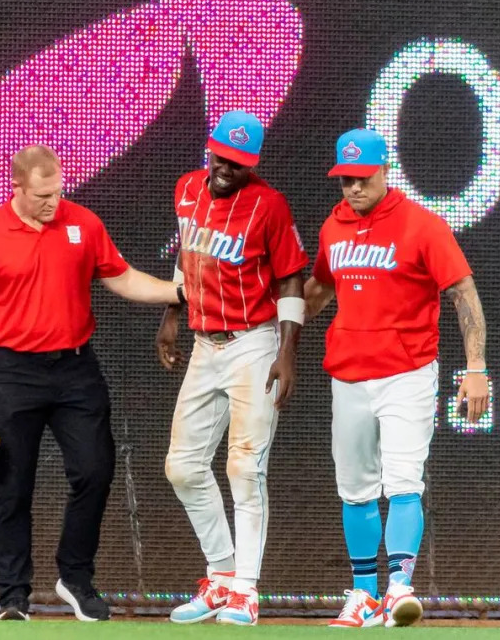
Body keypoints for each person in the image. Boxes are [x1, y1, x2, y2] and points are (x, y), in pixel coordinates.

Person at [0, 145, 186, 622]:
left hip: (75, 370)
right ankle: (13, 597)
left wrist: (177, 292)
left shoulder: (83, 224)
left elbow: (123, 278)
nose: (53, 202)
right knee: (13, 488)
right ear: (17, 189)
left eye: (58, 192)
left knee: (95, 471)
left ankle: (75, 577)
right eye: (42, 195)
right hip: (12, 373)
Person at [304, 128, 489, 628]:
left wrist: (475, 368)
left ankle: (400, 588)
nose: (353, 188)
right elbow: (320, 287)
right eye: (344, 179)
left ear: (386, 171)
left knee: (403, 480)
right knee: (355, 488)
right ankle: (364, 595)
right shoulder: (333, 229)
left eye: (362, 178)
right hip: (349, 374)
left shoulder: (422, 225)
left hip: (407, 372)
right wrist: (283, 335)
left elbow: (463, 293)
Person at [157, 110, 309, 626]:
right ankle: (220, 576)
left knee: (244, 467)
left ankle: (246, 588)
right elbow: (187, 253)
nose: (227, 167)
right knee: (182, 466)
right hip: (205, 343)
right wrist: (172, 314)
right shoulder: (186, 188)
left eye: (239, 163)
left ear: (253, 164)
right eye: (222, 157)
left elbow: (291, 279)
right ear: (209, 149)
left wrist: (286, 351)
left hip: (253, 342)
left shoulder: (268, 204)